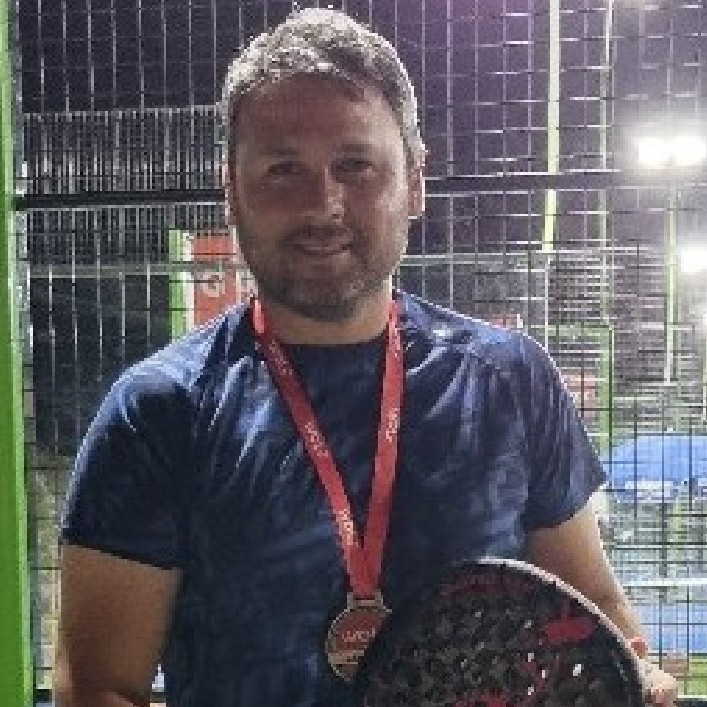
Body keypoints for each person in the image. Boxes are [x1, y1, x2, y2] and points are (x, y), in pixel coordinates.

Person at [55, 8, 677, 707]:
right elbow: (97, 687)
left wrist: (638, 679)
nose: (322, 204)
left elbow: (591, 606)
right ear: (232, 191)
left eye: (355, 165)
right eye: (282, 169)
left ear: (414, 180)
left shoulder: (507, 381)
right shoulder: (160, 411)